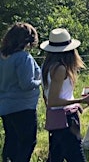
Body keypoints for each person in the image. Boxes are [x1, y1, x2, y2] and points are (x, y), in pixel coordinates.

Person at [40, 28, 89, 161]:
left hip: (56, 118)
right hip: (66, 120)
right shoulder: (60, 69)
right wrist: (81, 100)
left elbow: (47, 96)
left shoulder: (47, 65)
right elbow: (53, 100)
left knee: (56, 157)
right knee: (76, 157)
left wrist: (77, 103)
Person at [0, 22, 41, 162]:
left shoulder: (2, 57)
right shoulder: (24, 58)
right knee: (27, 143)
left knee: (11, 141)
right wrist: (41, 82)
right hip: (23, 107)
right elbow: (26, 84)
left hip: (5, 107)